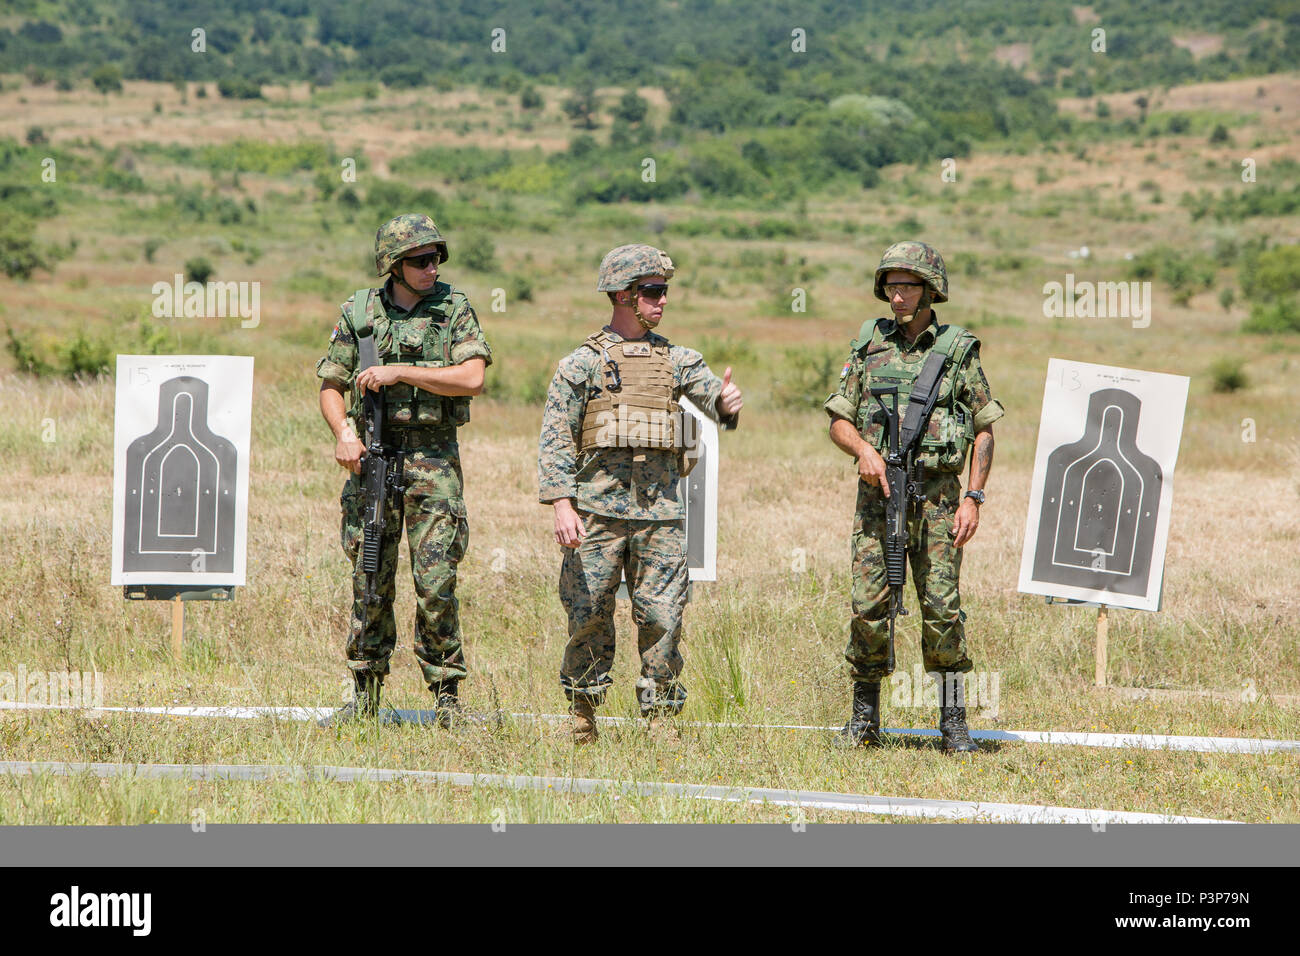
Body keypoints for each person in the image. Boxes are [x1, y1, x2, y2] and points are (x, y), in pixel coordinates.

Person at [537, 243, 743, 743]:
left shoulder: (679, 360)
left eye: (665, 291)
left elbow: (716, 403)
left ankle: (660, 720)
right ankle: (583, 717)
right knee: (589, 616)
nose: (663, 301)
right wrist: (562, 504)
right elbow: (556, 438)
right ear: (623, 296)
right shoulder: (580, 365)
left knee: (662, 617)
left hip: (661, 515)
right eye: (653, 291)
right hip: (596, 515)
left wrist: (727, 402)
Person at [823, 241, 1004, 752]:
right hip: (878, 502)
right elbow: (839, 419)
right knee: (868, 607)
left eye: (907, 287)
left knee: (942, 609)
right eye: (891, 286)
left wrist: (974, 497)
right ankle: (864, 721)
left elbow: (985, 428)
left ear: (931, 292)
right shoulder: (867, 346)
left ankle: (952, 724)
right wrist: (862, 448)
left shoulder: (957, 352)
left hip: (941, 502)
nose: (896, 296)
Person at [316, 214, 491, 726]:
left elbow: (473, 377)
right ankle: (365, 697)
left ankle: (448, 700)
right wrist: (345, 435)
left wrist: (401, 371)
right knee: (370, 575)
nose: (431, 267)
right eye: (419, 260)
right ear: (393, 265)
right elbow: (332, 383)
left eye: (436, 257)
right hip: (374, 455)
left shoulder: (453, 308)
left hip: (433, 459)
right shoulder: (361, 313)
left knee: (436, 580)